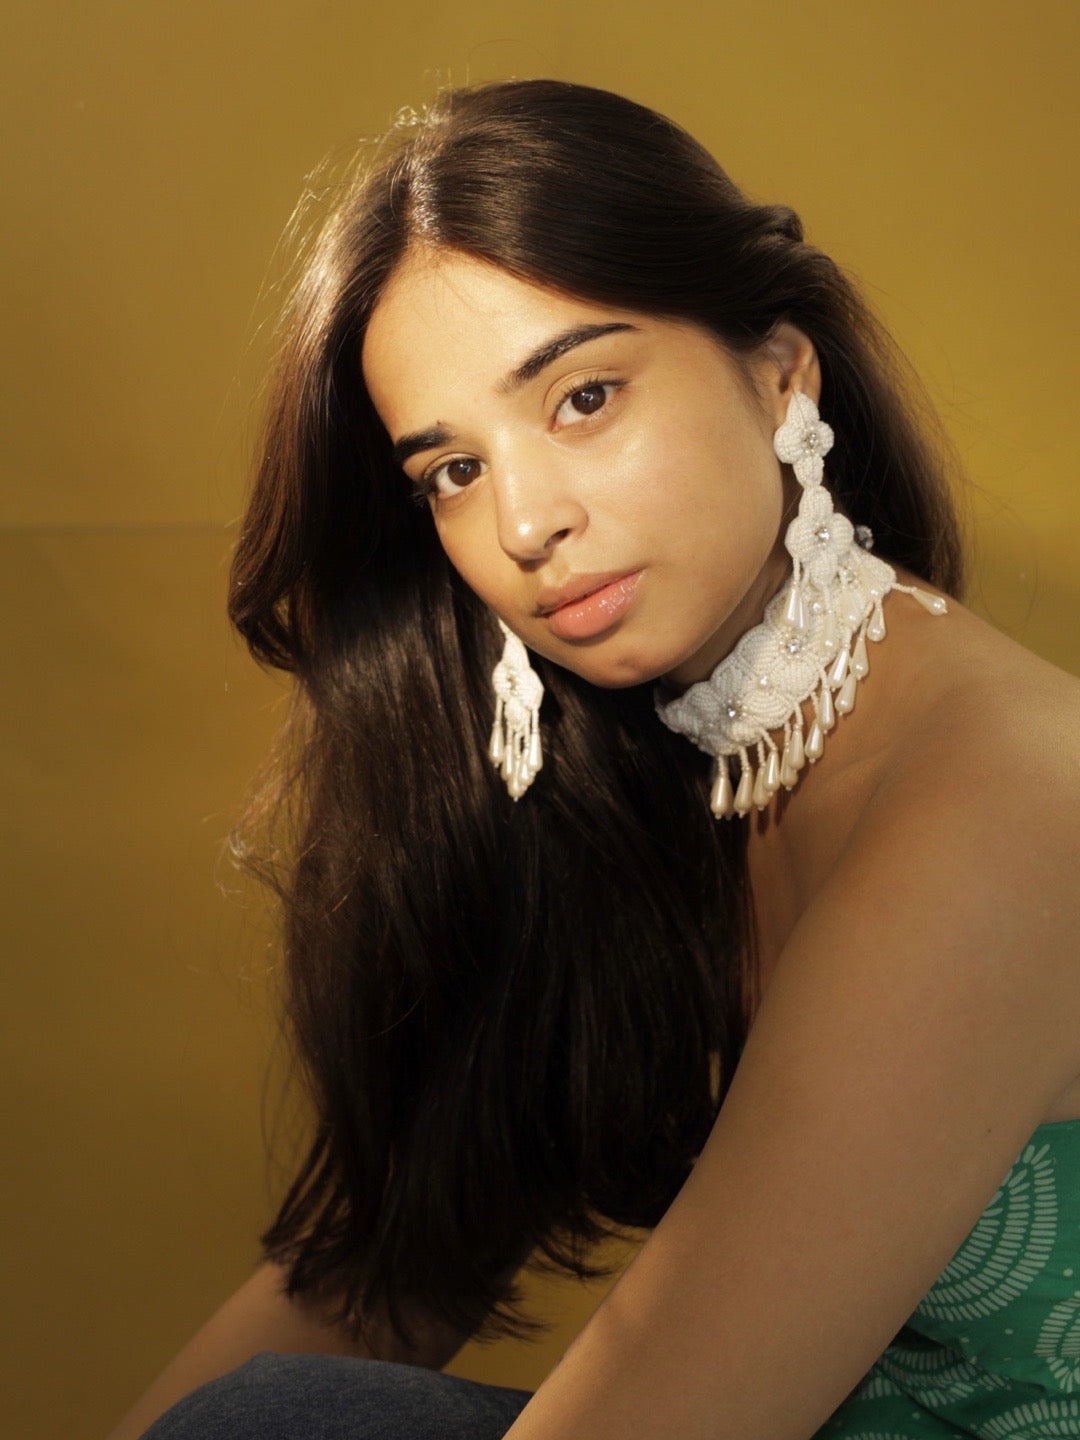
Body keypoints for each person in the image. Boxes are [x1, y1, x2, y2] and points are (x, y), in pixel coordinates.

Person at [111, 79, 1080, 1440]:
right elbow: (393, 1275)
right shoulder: (647, 783)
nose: (522, 521)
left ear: (780, 373)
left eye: (583, 397)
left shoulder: (1006, 809)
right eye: (450, 470)